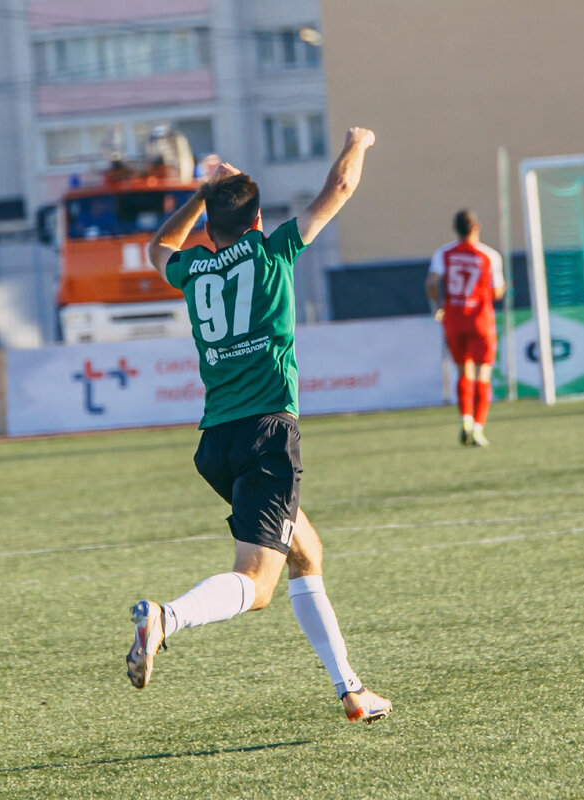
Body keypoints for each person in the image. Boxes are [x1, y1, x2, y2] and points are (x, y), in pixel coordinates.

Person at [129, 126, 391, 724]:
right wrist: (358, 141)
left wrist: (201, 193)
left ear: (211, 223)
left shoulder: (193, 268)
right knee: (259, 583)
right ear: (255, 220)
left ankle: (350, 690)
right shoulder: (274, 250)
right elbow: (342, 185)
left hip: (217, 442)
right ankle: (167, 617)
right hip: (267, 435)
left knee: (306, 551)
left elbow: (157, 248)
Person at [425, 209, 505, 446]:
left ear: (456, 228)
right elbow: (498, 291)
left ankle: (465, 419)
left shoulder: (444, 253)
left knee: (463, 372)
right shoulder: (489, 255)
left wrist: (440, 304)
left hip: (454, 319)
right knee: (483, 374)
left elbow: (431, 282)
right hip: (480, 320)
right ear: (476, 227)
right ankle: (478, 427)